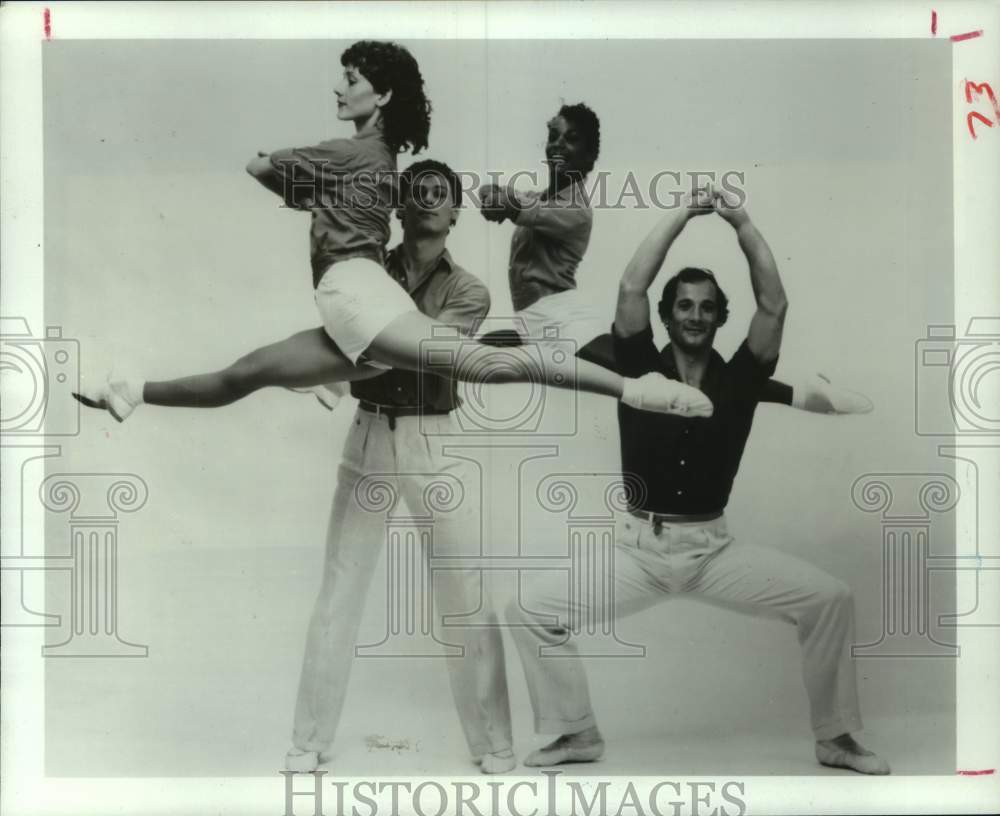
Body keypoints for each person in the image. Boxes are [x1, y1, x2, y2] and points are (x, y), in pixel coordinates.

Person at [73, 42, 711, 424]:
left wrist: (303, 185)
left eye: (350, 79)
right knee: (249, 372)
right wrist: (316, 196)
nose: (339, 87)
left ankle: (640, 391)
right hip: (356, 302)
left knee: (488, 365)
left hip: (358, 297)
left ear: (380, 96)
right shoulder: (373, 166)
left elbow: (258, 166)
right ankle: (130, 391)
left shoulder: (354, 154)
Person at [504, 184, 891, 775]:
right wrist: (683, 213)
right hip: (638, 552)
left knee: (830, 598)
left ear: (718, 317)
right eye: (684, 305)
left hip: (714, 552)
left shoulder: (740, 379)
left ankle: (835, 737)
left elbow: (774, 307)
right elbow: (631, 284)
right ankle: (576, 732)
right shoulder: (637, 364)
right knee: (529, 610)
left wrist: (741, 222)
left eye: (707, 307)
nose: (695, 316)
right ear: (667, 314)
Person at [286, 159, 515, 775]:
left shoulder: (470, 291)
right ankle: (308, 741)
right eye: (417, 193)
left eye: (440, 194)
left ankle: (493, 745)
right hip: (367, 437)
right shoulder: (366, 273)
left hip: (433, 443)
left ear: (455, 213)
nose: (429, 202)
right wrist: (348, 359)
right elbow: (368, 351)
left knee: (462, 593)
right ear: (399, 208)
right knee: (340, 586)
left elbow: (424, 357)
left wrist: (348, 355)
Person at [477, 103, 872, 416]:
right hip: (532, 320)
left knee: (659, 378)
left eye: (571, 140)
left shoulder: (576, 209)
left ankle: (803, 391)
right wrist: (494, 195)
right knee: (468, 352)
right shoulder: (539, 197)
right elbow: (509, 200)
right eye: (553, 136)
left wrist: (501, 200)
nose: (558, 146)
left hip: (560, 317)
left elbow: (515, 207)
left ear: (590, 156)